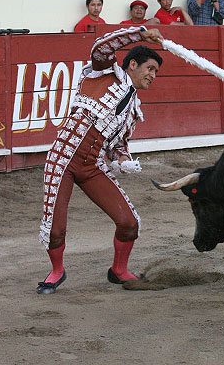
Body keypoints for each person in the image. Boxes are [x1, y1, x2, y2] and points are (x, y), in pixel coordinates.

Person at [37, 22, 164, 294]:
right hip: (63, 158)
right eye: (149, 68)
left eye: (156, 72)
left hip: (92, 165)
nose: (153, 75)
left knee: (129, 223)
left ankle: (119, 270)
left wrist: (123, 160)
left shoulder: (133, 111)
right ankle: (56, 272)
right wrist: (139, 33)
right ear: (132, 65)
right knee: (55, 227)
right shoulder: (104, 72)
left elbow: (117, 146)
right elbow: (102, 46)